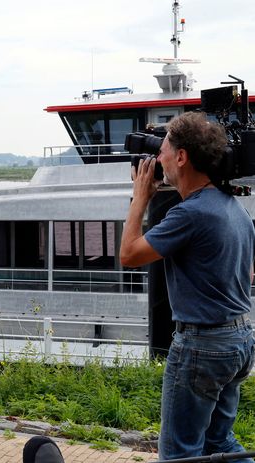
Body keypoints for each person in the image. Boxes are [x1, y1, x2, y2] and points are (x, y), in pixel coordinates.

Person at [120, 112, 255, 461]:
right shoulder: (233, 208)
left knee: (180, 453)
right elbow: (248, 274)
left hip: (202, 347)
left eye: (163, 148)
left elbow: (129, 255)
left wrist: (140, 198)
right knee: (218, 443)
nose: (158, 157)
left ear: (181, 157)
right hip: (239, 340)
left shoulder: (190, 214)